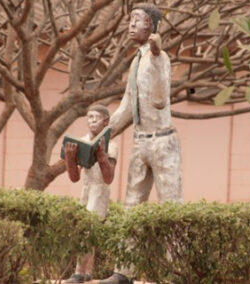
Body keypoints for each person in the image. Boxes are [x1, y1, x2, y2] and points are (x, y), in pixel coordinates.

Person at [100, 3, 183, 284]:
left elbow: (160, 98)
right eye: (131, 20)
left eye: (138, 20)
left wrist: (158, 54)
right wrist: (105, 134)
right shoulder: (136, 61)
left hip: (163, 143)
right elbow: (126, 107)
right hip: (140, 141)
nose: (131, 25)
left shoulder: (161, 59)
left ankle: (176, 272)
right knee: (131, 207)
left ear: (152, 27)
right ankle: (124, 271)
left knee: (171, 207)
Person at [63, 104, 118, 283]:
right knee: (85, 231)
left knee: (88, 230)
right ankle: (87, 272)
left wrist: (101, 155)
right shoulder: (82, 140)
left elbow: (109, 178)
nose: (91, 120)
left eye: (96, 117)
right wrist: (70, 159)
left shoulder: (113, 146)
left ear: (106, 121)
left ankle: (79, 272)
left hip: (100, 190)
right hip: (86, 190)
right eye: (89, 117)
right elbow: (74, 178)